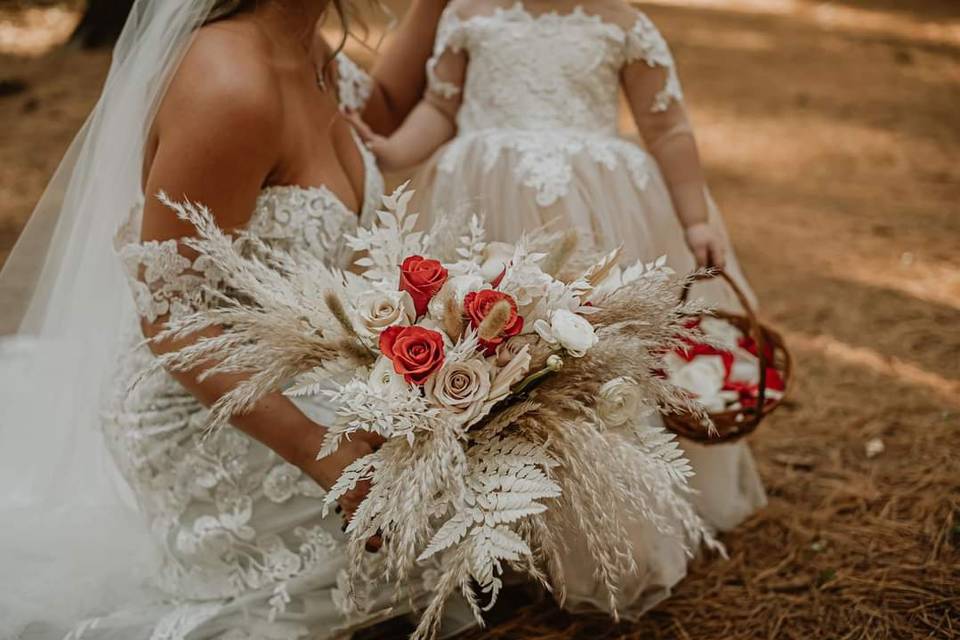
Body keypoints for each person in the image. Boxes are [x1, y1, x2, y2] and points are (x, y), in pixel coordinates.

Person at [0, 1, 479, 638]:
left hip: (302, 368)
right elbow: (173, 318)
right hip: (204, 399)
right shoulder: (230, 86)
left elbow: (385, 110)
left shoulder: (312, 52)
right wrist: (318, 451)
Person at [351, 0, 768, 533]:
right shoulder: (469, 13)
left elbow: (666, 129)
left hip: (592, 208)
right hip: (482, 197)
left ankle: (596, 509)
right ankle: (478, 505)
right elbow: (439, 107)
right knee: (478, 348)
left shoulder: (622, 24)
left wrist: (695, 220)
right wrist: (393, 150)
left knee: (586, 353)